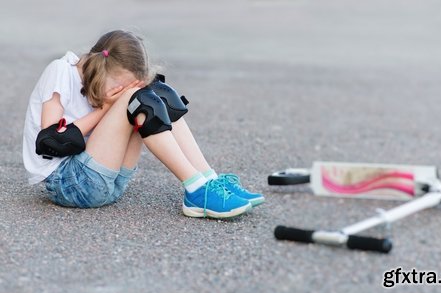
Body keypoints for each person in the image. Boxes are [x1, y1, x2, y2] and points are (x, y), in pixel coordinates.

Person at [22, 30, 264, 218]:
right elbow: (50, 141)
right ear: (103, 67)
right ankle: (196, 188)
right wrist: (106, 109)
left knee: (158, 93)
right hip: (71, 185)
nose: (120, 92)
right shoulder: (60, 72)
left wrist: (117, 100)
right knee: (138, 100)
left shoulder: (100, 79)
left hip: (110, 182)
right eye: (120, 86)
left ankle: (208, 180)